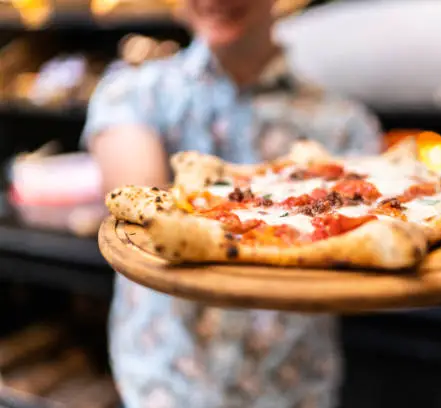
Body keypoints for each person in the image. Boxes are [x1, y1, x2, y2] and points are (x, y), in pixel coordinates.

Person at [82, 0, 381, 406]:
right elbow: (144, 219)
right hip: (167, 381)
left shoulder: (346, 123)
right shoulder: (133, 95)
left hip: (292, 384)